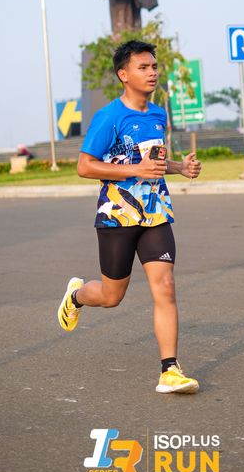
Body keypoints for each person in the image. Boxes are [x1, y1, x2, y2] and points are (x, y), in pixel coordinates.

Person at [57, 40, 202, 394]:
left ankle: (170, 370)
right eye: (143, 67)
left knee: (165, 286)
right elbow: (84, 166)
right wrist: (135, 169)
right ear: (124, 75)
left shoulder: (158, 115)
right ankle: (76, 296)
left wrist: (179, 167)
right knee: (111, 296)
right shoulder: (109, 117)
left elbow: (152, 160)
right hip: (117, 214)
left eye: (154, 66)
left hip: (155, 212)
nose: (152, 72)